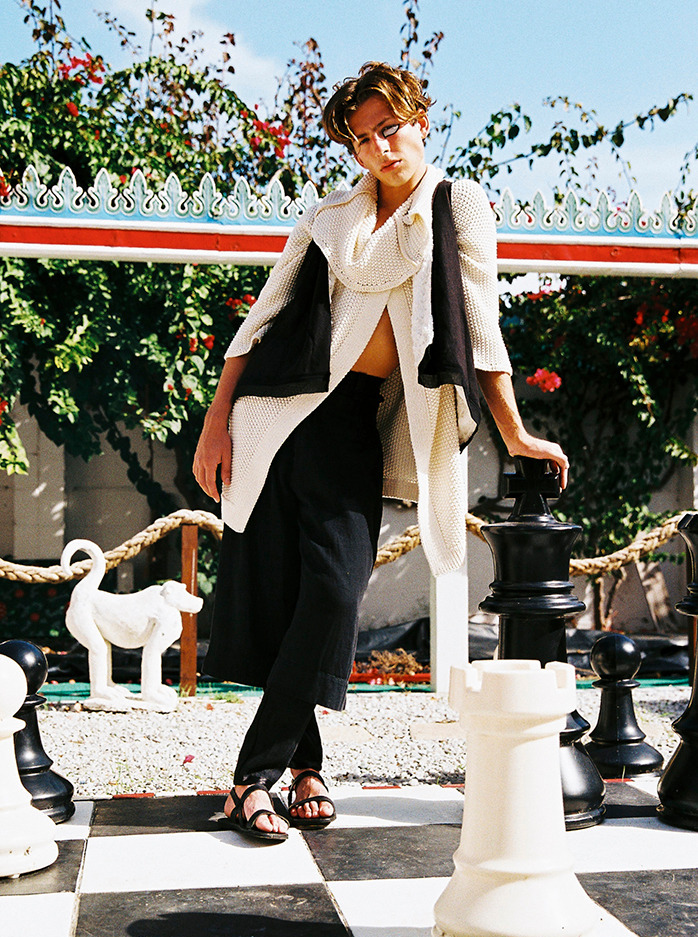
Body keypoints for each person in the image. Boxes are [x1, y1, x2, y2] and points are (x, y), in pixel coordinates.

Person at [193, 62, 569, 842]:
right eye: (362, 140)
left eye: (389, 128)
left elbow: (479, 326)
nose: (378, 148)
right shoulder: (330, 219)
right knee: (292, 601)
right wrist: (216, 421)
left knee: (333, 593)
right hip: (277, 419)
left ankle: (249, 777)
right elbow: (261, 321)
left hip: (353, 428)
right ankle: (300, 770)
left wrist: (515, 432)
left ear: (419, 121)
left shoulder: (454, 205)